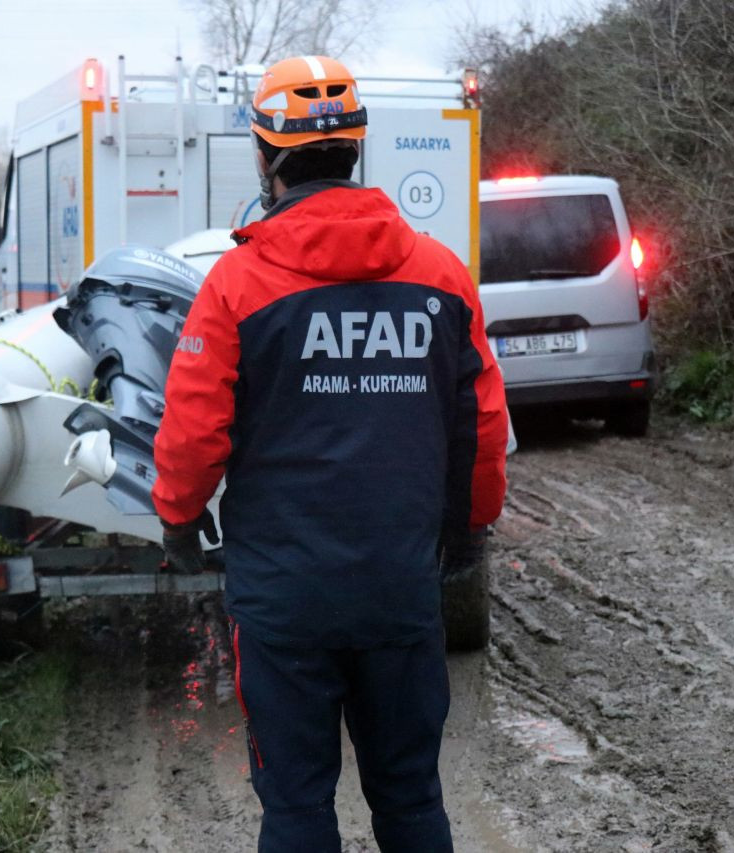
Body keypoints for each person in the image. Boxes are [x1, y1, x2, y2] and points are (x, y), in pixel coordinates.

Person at [151, 56, 508, 852]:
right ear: (355, 148)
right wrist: (467, 530)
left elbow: (193, 431)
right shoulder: (442, 275)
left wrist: (177, 520)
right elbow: (481, 427)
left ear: (264, 155)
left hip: (283, 603)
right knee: (412, 799)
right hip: (399, 586)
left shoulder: (237, 285)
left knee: (297, 806)